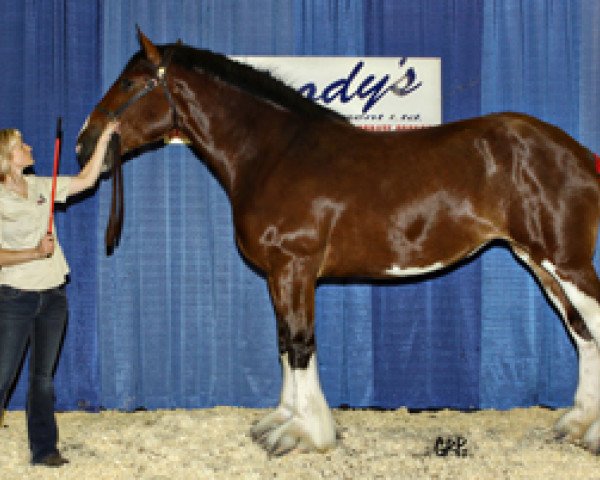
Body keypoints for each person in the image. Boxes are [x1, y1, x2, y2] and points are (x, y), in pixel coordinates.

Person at [0, 120, 119, 467]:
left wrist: (106, 139)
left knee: (42, 378)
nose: (30, 149)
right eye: (22, 146)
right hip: (14, 297)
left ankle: (44, 449)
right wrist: (33, 253)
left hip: (53, 295)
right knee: (2, 376)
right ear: (7, 156)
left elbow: (86, 180)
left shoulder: (40, 185)